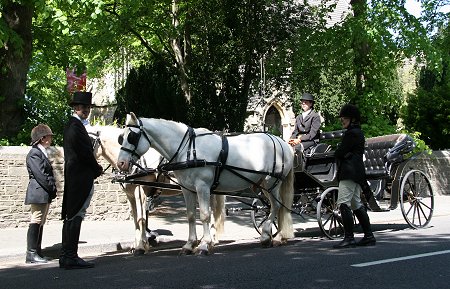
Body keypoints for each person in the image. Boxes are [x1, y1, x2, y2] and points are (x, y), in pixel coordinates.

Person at [60, 91, 103, 269]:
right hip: (80, 177)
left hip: (74, 175)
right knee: (76, 214)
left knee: (71, 215)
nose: (86, 110)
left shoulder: (71, 125)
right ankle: (71, 256)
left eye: (88, 108)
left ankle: (65, 255)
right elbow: (86, 153)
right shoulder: (76, 127)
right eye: (83, 107)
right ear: (76, 108)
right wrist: (97, 169)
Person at [333, 103, 376, 249]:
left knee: (343, 203)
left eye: (344, 118)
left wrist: (340, 152)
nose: (342, 120)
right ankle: (369, 236)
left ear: (352, 119)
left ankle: (349, 238)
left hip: (349, 172)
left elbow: (339, 152)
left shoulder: (352, 133)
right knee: (355, 203)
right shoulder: (357, 132)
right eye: (342, 118)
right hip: (356, 172)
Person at [25, 124, 58, 263]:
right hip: (38, 192)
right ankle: (31, 254)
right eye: (49, 136)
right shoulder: (34, 153)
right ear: (43, 138)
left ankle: (37, 251)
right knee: (36, 220)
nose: (51, 139)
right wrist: (52, 188)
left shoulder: (41, 152)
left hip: (43, 193)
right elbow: (41, 175)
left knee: (41, 221)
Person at [288, 93, 322, 168]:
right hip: (299, 140)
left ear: (311, 104)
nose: (303, 104)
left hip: (311, 141)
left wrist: (299, 139)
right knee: (286, 147)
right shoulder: (299, 117)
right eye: (302, 102)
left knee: (297, 148)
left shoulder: (315, 116)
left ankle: (300, 169)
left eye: (305, 102)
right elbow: (295, 132)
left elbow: (312, 134)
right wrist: (291, 139)